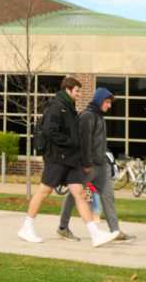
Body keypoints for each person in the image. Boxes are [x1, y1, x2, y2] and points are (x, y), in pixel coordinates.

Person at [18, 77, 118, 247]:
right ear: (68, 89)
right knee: (44, 192)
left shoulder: (69, 107)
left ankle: (95, 235)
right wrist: (73, 142)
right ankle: (26, 227)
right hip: (57, 159)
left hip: (70, 160)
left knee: (79, 193)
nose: (79, 94)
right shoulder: (56, 107)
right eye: (77, 91)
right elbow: (50, 132)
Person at [56, 87, 135, 242]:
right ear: (99, 101)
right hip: (88, 166)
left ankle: (115, 231)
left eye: (110, 103)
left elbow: (100, 142)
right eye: (107, 102)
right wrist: (86, 163)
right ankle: (62, 228)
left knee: (108, 196)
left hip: (101, 165)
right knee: (74, 195)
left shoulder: (99, 116)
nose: (109, 106)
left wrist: (108, 159)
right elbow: (84, 142)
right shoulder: (87, 116)